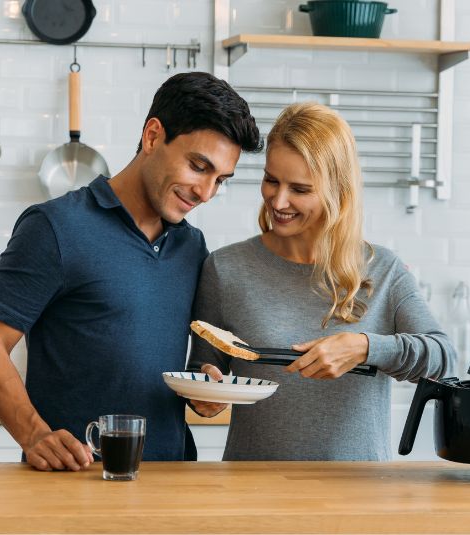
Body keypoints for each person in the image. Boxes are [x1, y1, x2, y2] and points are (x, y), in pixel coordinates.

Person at [0, 72, 262, 471]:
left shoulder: (192, 247)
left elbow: (174, 363)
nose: (206, 192)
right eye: (198, 166)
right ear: (153, 136)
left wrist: (203, 386)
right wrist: (34, 434)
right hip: (75, 479)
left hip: (172, 478)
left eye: (220, 179)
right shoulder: (55, 228)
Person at [186, 102, 456, 461]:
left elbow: (443, 358)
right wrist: (204, 392)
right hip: (252, 493)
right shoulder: (226, 268)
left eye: (299, 189)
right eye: (271, 180)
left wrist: (365, 347)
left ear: (337, 191)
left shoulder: (383, 270)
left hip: (357, 498)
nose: (278, 200)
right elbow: (202, 371)